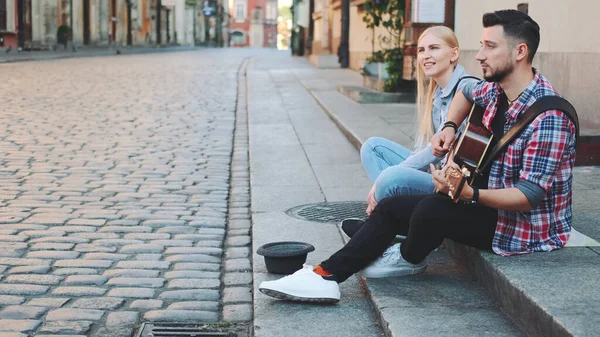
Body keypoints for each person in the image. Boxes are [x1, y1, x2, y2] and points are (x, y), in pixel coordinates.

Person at [259, 9, 577, 304]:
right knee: (392, 205)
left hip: (522, 226)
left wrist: (471, 193)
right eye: (481, 45)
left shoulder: (549, 117)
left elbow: (529, 196)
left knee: (429, 210)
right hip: (486, 201)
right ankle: (324, 275)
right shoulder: (497, 89)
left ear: (520, 52)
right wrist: (451, 127)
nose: (479, 55)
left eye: (489, 47)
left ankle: (398, 255)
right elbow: (467, 93)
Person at [342, 26, 478, 236]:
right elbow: (423, 147)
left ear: (454, 54)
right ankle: (392, 219)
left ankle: (381, 226)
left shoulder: (466, 89)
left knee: (391, 178)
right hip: (435, 172)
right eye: (421, 50)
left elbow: (437, 150)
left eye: (434, 48)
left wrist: (385, 179)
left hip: (451, 183)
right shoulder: (437, 92)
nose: (426, 56)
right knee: (372, 147)